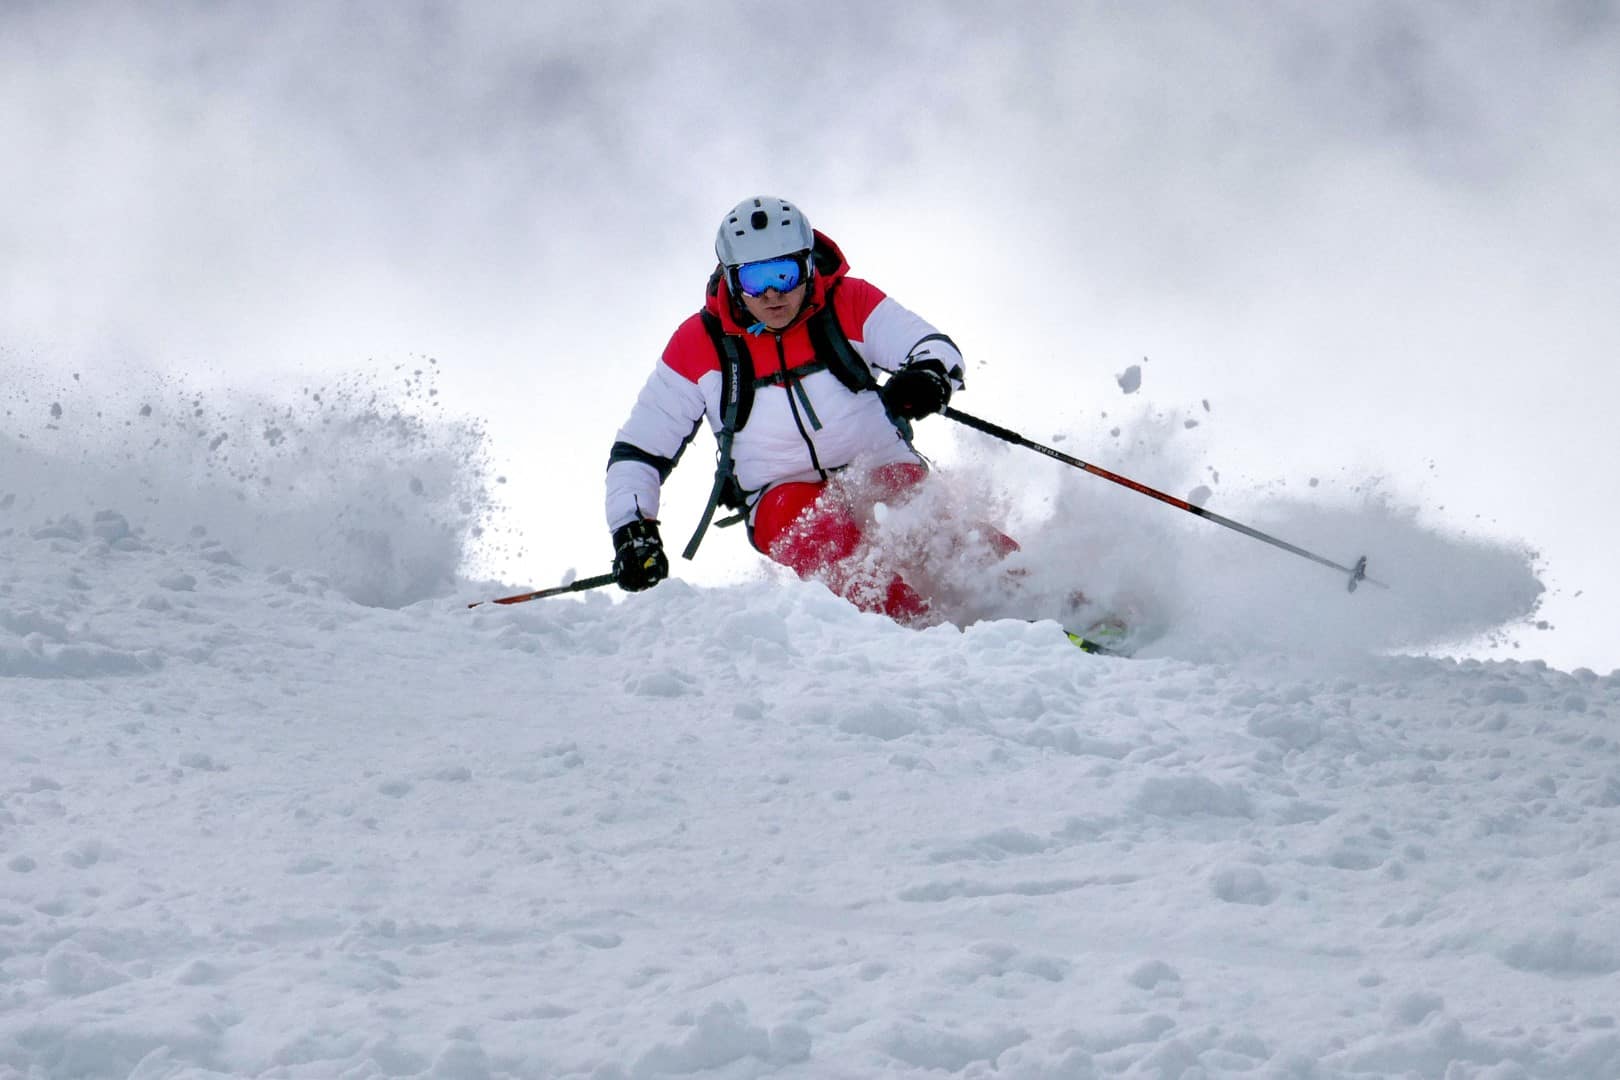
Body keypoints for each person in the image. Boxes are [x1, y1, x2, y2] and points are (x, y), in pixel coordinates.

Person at [604, 195, 1012, 623]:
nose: (773, 293)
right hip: (780, 492)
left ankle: (1044, 601)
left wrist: (929, 375)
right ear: (731, 278)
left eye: (784, 272)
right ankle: (921, 634)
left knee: (934, 527)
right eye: (755, 279)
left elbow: (931, 346)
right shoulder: (699, 343)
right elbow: (639, 450)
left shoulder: (847, 302)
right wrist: (632, 529)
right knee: (827, 540)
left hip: (876, 464)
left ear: (808, 264)